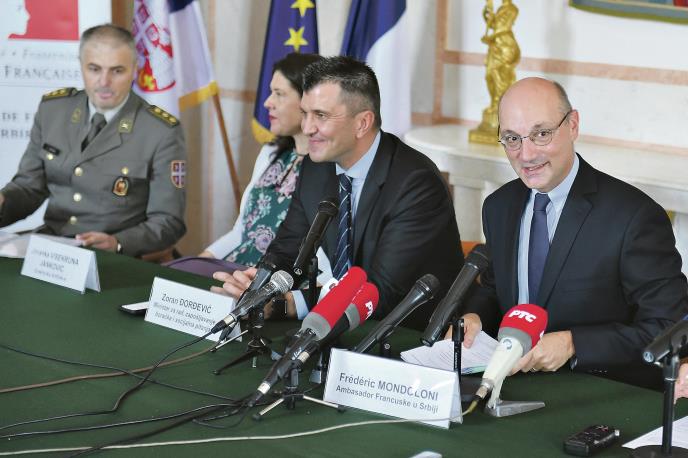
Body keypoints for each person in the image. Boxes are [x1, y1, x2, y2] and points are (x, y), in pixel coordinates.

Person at [459, 77, 688, 388]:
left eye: (541, 134)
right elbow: (494, 287)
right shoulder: (499, 206)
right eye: (512, 138)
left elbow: (669, 329)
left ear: (573, 126)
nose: (526, 154)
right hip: (509, 382)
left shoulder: (634, 217)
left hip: (597, 390)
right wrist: (474, 316)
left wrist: (573, 344)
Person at [216, 56, 464, 329]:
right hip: (340, 325)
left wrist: (290, 303)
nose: (307, 128)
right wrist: (260, 284)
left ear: (362, 123)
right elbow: (287, 249)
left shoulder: (416, 183)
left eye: (320, 116)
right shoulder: (315, 166)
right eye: (305, 113)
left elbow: (380, 291)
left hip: (407, 333)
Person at [0, 24, 186, 257]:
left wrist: (118, 243)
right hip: (52, 247)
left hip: (119, 258)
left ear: (134, 69)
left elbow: (168, 221)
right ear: (81, 65)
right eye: (94, 69)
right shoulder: (53, 111)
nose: (104, 81)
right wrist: (3, 201)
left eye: (117, 71)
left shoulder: (160, 131)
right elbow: (29, 188)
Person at [199, 53, 326, 270]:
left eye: (279, 94)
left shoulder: (331, 169)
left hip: (277, 280)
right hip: (234, 270)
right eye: (270, 93)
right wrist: (200, 261)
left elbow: (322, 258)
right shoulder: (270, 153)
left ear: (308, 101)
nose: (267, 103)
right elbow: (242, 233)